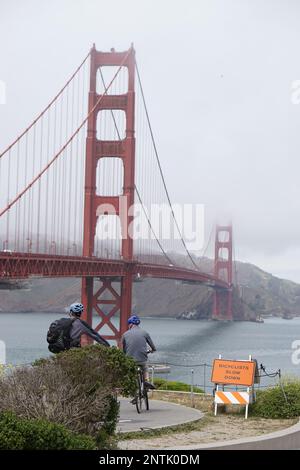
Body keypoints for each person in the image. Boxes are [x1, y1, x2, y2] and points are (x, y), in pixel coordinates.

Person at [122, 314, 156, 389]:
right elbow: (153, 347)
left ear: (130, 324)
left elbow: (124, 350)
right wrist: (152, 350)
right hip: (142, 359)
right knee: (145, 367)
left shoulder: (125, 334)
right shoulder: (145, 333)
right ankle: (147, 380)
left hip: (130, 360)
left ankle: (134, 390)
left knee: (131, 373)